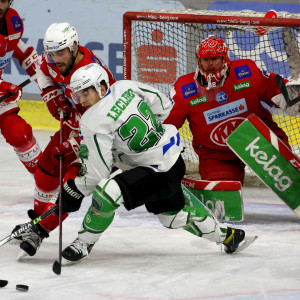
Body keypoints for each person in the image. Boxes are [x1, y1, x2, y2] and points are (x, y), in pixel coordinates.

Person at [55, 63, 256, 264]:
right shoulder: (125, 86)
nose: (81, 100)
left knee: (106, 193)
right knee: (172, 218)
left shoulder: (92, 120)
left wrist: (75, 189)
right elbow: (163, 106)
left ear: (100, 86)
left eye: (85, 93)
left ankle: (83, 242)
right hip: (173, 159)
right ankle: (229, 236)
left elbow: (98, 174)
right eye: (77, 94)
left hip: (155, 170)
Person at [14, 22, 116, 257]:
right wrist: (51, 94)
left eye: (61, 53)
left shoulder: (91, 73)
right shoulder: (51, 60)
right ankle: (37, 220)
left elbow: (106, 121)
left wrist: (74, 144)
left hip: (98, 137)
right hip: (72, 126)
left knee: (71, 189)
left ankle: (39, 231)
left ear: (74, 47)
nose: (56, 58)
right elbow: (41, 68)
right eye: (52, 53)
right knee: (44, 175)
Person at [163, 35, 294, 185]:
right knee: (224, 190)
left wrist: (295, 98)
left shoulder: (247, 71)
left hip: (260, 139)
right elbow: (166, 123)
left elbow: (279, 91)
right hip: (217, 154)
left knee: (290, 177)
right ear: (199, 60)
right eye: (206, 60)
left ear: (225, 58)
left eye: (215, 59)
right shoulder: (184, 88)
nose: (210, 64)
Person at [0, 0, 42, 175]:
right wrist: (5, 87)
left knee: (19, 133)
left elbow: (17, 47)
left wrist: (42, 71)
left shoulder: (12, 22)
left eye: (2, 0)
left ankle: (44, 178)